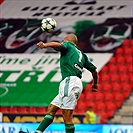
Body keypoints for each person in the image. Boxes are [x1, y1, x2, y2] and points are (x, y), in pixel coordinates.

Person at [19, 33, 98, 133]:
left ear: (67, 40)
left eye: (64, 40)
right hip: (73, 83)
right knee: (52, 108)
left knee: (67, 115)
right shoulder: (82, 55)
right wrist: (95, 84)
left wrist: (45, 45)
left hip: (70, 81)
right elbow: (94, 71)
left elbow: (58, 45)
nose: (63, 41)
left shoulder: (68, 45)